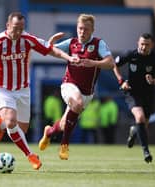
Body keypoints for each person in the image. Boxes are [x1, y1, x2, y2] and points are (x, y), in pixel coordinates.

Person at [0, 11, 80, 170]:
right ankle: (31, 155)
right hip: (2, 89)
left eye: (21, 28)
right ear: (8, 26)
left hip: (23, 89)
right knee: (12, 123)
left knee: (20, 130)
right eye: (15, 28)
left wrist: (69, 58)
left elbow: (51, 49)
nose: (18, 32)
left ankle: (0, 124)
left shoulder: (28, 39)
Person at [38, 14, 114, 160]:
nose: (82, 32)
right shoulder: (71, 43)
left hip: (87, 93)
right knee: (77, 103)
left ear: (92, 30)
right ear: (76, 28)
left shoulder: (99, 44)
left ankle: (49, 132)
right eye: (80, 28)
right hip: (69, 85)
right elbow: (50, 51)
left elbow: (110, 63)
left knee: (63, 124)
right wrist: (51, 42)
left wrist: (94, 63)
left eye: (86, 29)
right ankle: (64, 145)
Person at [113, 33, 155, 163]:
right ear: (138, 43)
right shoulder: (131, 54)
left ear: (151, 45)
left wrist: (153, 80)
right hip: (132, 93)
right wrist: (121, 82)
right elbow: (114, 65)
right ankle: (146, 151)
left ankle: (134, 130)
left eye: (147, 45)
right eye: (142, 44)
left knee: (143, 124)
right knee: (140, 117)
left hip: (148, 95)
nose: (143, 47)